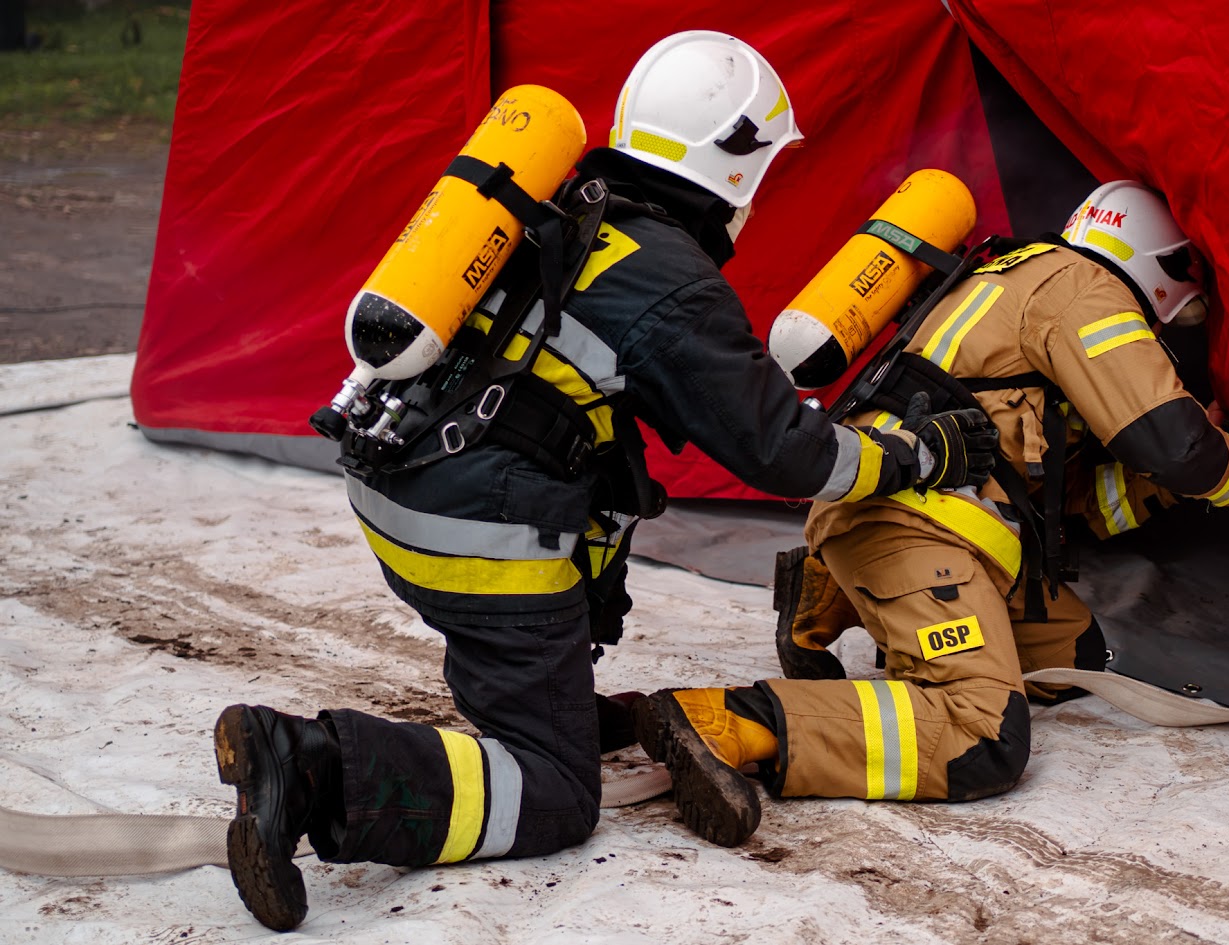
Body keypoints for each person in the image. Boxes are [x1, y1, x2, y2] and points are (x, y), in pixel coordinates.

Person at [212, 30, 998, 932]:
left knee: (543, 603)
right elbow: (789, 455)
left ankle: (516, 680)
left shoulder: (562, 204)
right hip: (478, 539)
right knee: (555, 791)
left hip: (399, 492)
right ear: (736, 164)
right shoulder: (670, 279)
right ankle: (311, 764)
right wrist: (912, 455)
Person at [632, 180, 1229, 847]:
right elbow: (1175, 444)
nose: (1168, 331)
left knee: (1074, 654)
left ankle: (832, 593)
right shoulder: (1083, 289)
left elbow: (1077, 496)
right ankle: (728, 720)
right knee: (982, 731)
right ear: (1161, 270)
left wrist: (1169, 487)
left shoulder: (1013, 276)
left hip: (914, 515)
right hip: (912, 523)